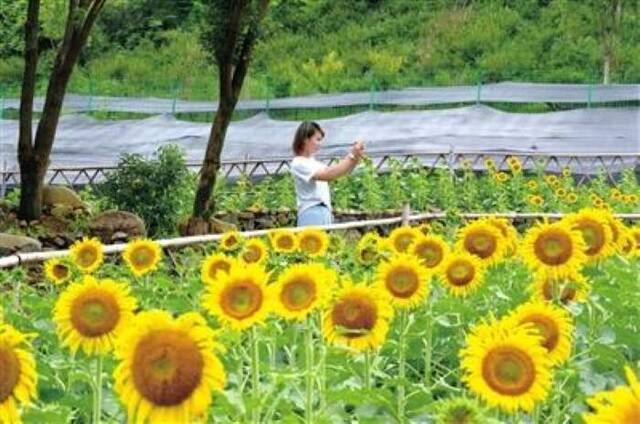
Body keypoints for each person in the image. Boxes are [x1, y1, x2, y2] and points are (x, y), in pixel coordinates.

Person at [290, 121, 365, 226]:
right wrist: (351, 156)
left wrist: (355, 157)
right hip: (311, 213)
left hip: (324, 212)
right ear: (305, 139)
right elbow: (328, 175)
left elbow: (338, 172)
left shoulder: (315, 163)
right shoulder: (298, 163)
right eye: (317, 139)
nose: (320, 144)